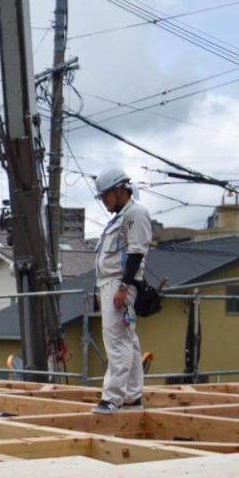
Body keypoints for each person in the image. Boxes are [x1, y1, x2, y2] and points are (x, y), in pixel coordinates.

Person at [91, 166, 152, 415]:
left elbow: (137, 253)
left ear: (119, 190)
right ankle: (131, 395)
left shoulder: (135, 214)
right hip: (111, 283)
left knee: (117, 341)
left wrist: (123, 287)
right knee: (128, 341)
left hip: (119, 283)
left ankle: (112, 398)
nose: (104, 201)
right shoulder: (121, 217)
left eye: (106, 195)